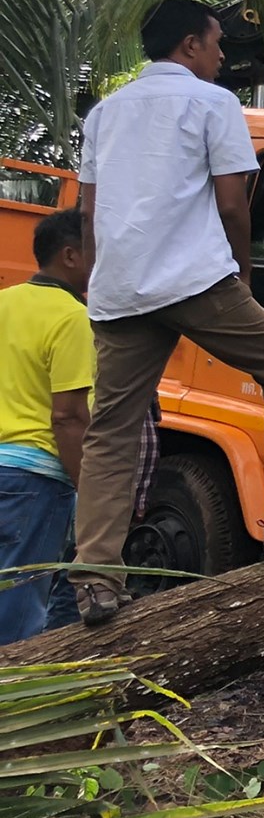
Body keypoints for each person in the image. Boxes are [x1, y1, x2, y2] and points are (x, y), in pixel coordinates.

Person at [71, 0, 264, 628]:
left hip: (121, 289)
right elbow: (234, 203)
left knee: (112, 430)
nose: (223, 55)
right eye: (216, 44)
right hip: (195, 279)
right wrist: (243, 273)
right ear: (189, 47)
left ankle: (96, 574)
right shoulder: (213, 104)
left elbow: (90, 211)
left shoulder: (104, 114)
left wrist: (99, 282)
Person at [0, 209, 94, 644]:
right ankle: (15, 703)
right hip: (34, 478)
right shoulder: (72, 317)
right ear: (71, 255)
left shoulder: (4, 302)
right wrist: (87, 491)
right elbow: (68, 415)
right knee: (19, 607)